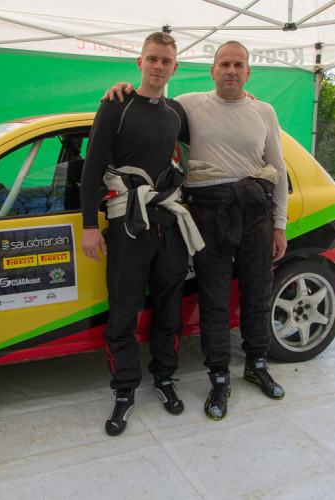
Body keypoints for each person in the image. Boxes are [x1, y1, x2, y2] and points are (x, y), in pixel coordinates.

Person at [103, 40, 288, 421]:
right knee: (214, 300)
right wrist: (122, 89)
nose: (231, 71)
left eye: (238, 65)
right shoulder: (187, 104)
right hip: (209, 213)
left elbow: (279, 170)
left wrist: (279, 225)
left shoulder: (264, 111)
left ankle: (256, 364)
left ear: (248, 72)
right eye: (225, 64)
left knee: (258, 295)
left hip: (255, 213)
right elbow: (151, 103)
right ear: (212, 70)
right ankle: (219, 378)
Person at [81, 32, 202, 437]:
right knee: (124, 309)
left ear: (175, 67)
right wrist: (89, 226)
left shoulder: (175, 112)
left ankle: (164, 377)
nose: (158, 66)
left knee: (169, 305)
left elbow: (211, 121)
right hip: (127, 225)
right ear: (139, 62)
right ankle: (124, 389)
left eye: (166, 61)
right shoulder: (116, 104)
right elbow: (91, 167)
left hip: (168, 222)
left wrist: (246, 99)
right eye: (152, 58)